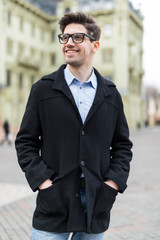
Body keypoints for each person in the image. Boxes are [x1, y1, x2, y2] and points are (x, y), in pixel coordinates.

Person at [15, 12, 133, 240]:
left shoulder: (111, 94)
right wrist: (44, 183)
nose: (69, 42)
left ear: (95, 45)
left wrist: (111, 185)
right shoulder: (43, 89)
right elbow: (25, 142)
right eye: (65, 37)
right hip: (54, 201)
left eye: (78, 37)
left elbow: (122, 146)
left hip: (96, 201)